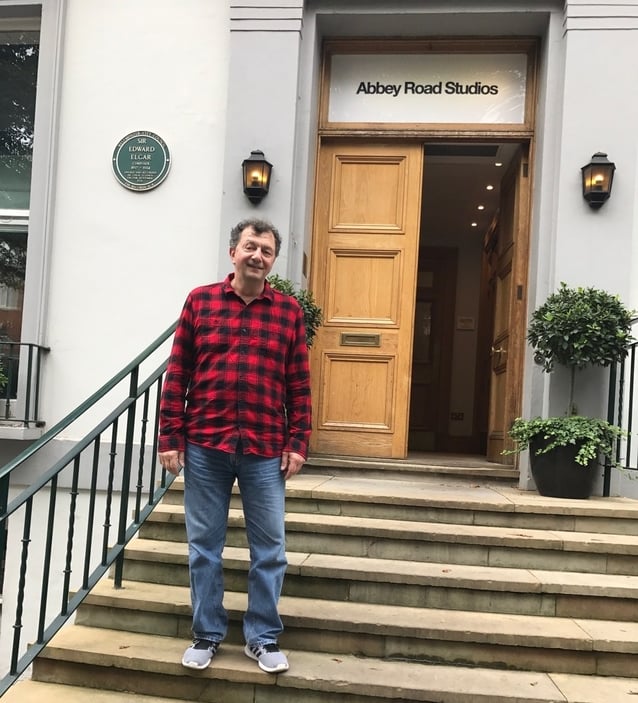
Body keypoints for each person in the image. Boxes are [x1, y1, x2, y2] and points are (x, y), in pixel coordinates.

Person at [158, 217, 311, 674]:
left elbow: (298, 385)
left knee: (271, 550)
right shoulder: (200, 302)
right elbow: (178, 372)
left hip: (265, 448)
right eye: (250, 247)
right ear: (233, 252)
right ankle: (207, 634)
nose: (257, 256)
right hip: (205, 444)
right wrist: (170, 437)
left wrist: (298, 442)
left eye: (266, 251)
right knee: (204, 547)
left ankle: (261, 638)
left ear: (272, 261)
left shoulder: (288, 312)